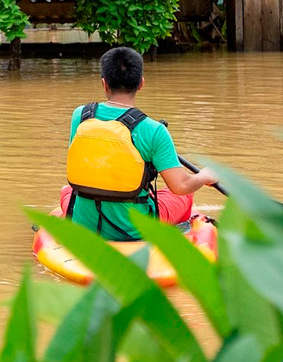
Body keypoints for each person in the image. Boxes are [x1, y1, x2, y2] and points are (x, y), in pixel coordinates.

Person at [60, 46, 219, 241]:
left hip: (84, 224)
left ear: (104, 84)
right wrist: (204, 176)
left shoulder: (80, 115)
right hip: (133, 231)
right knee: (186, 197)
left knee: (66, 191)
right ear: (141, 83)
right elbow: (181, 186)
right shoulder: (154, 131)